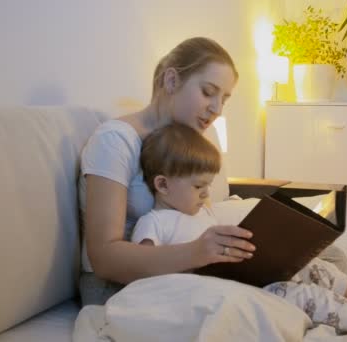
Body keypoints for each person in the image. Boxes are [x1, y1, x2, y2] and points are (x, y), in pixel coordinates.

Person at [131, 122, 347, 334]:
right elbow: (144, 273)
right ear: (163, 185)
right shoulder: (153, 223)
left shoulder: (203, 212)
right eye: (198, 186)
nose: (207, 193)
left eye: (208, 185)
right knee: (292, 292)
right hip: (215, 290)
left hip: (240, 274)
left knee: (309, 265)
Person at [78, 37, 256, 306]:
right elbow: (103, 259)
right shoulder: (115, 140)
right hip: (118, 287)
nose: (217, 109)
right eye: (208, 92)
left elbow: (197, 220)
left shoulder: (190, 146)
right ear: (171, 81)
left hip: (183, 275)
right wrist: (197, 253)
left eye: (224, 99)